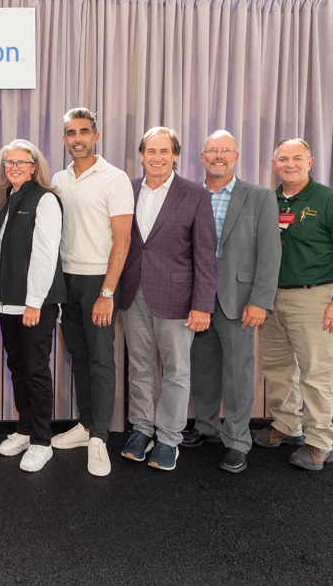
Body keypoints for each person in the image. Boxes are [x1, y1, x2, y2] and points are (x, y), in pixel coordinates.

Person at [254, 138, 333, 471]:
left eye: (297, 158)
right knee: (278, 369)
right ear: (274, 164)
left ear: (310, 162)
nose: (290, 164)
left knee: (317, 373)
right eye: (283, 159)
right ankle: (288, 426)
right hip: (270, 298)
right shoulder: (266, 201)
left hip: (316, 297)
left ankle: (320, 442)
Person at [118, 126, 217, 471]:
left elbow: (205, 256)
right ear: (141, 155)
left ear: (175, 155)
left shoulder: (195, 195)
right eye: (150, 151)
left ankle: (170, 438)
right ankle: (141, 430)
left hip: (178, 299)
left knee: (176, 372)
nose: (157, 157)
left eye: (164, 151)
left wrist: (203, 305)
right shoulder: (126, 190)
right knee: (139, 368)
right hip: (133, 295)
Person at [182, 130, 281, 474]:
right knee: (203, 370)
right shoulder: (188, 194)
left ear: (236, 156)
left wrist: (260, 301)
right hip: (195, 300)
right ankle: (207, 427)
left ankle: (237, 440)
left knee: (238, 375)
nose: (219, 156)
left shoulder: (260, 196)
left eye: (226, 150)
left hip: (240, 302)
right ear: (202, 156)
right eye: (212, 151)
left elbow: (270, 254)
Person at [49, 109, 133, 477]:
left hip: (99, 280)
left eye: (84, 132)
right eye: (71, 133)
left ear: (96, 136)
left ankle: (100, 437)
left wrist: (108, 291)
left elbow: (123, 239)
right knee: (78, 356)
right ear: (65, 138)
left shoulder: (114, 179)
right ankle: (84, 427)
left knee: (101, 358)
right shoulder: (58, 178)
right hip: (64, 281)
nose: (77, 138)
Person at [0, 140, 66, 473]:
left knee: (36, 371)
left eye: (22, 162)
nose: (15, 167)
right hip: (7, 305)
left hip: (35, 305)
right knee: (18, 369)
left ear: (34, 166)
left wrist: (34, 302)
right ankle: (24, 428)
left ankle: (41, 440)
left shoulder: (45, 199)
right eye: (9, 162)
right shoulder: (6, 202)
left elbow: (45, 255)